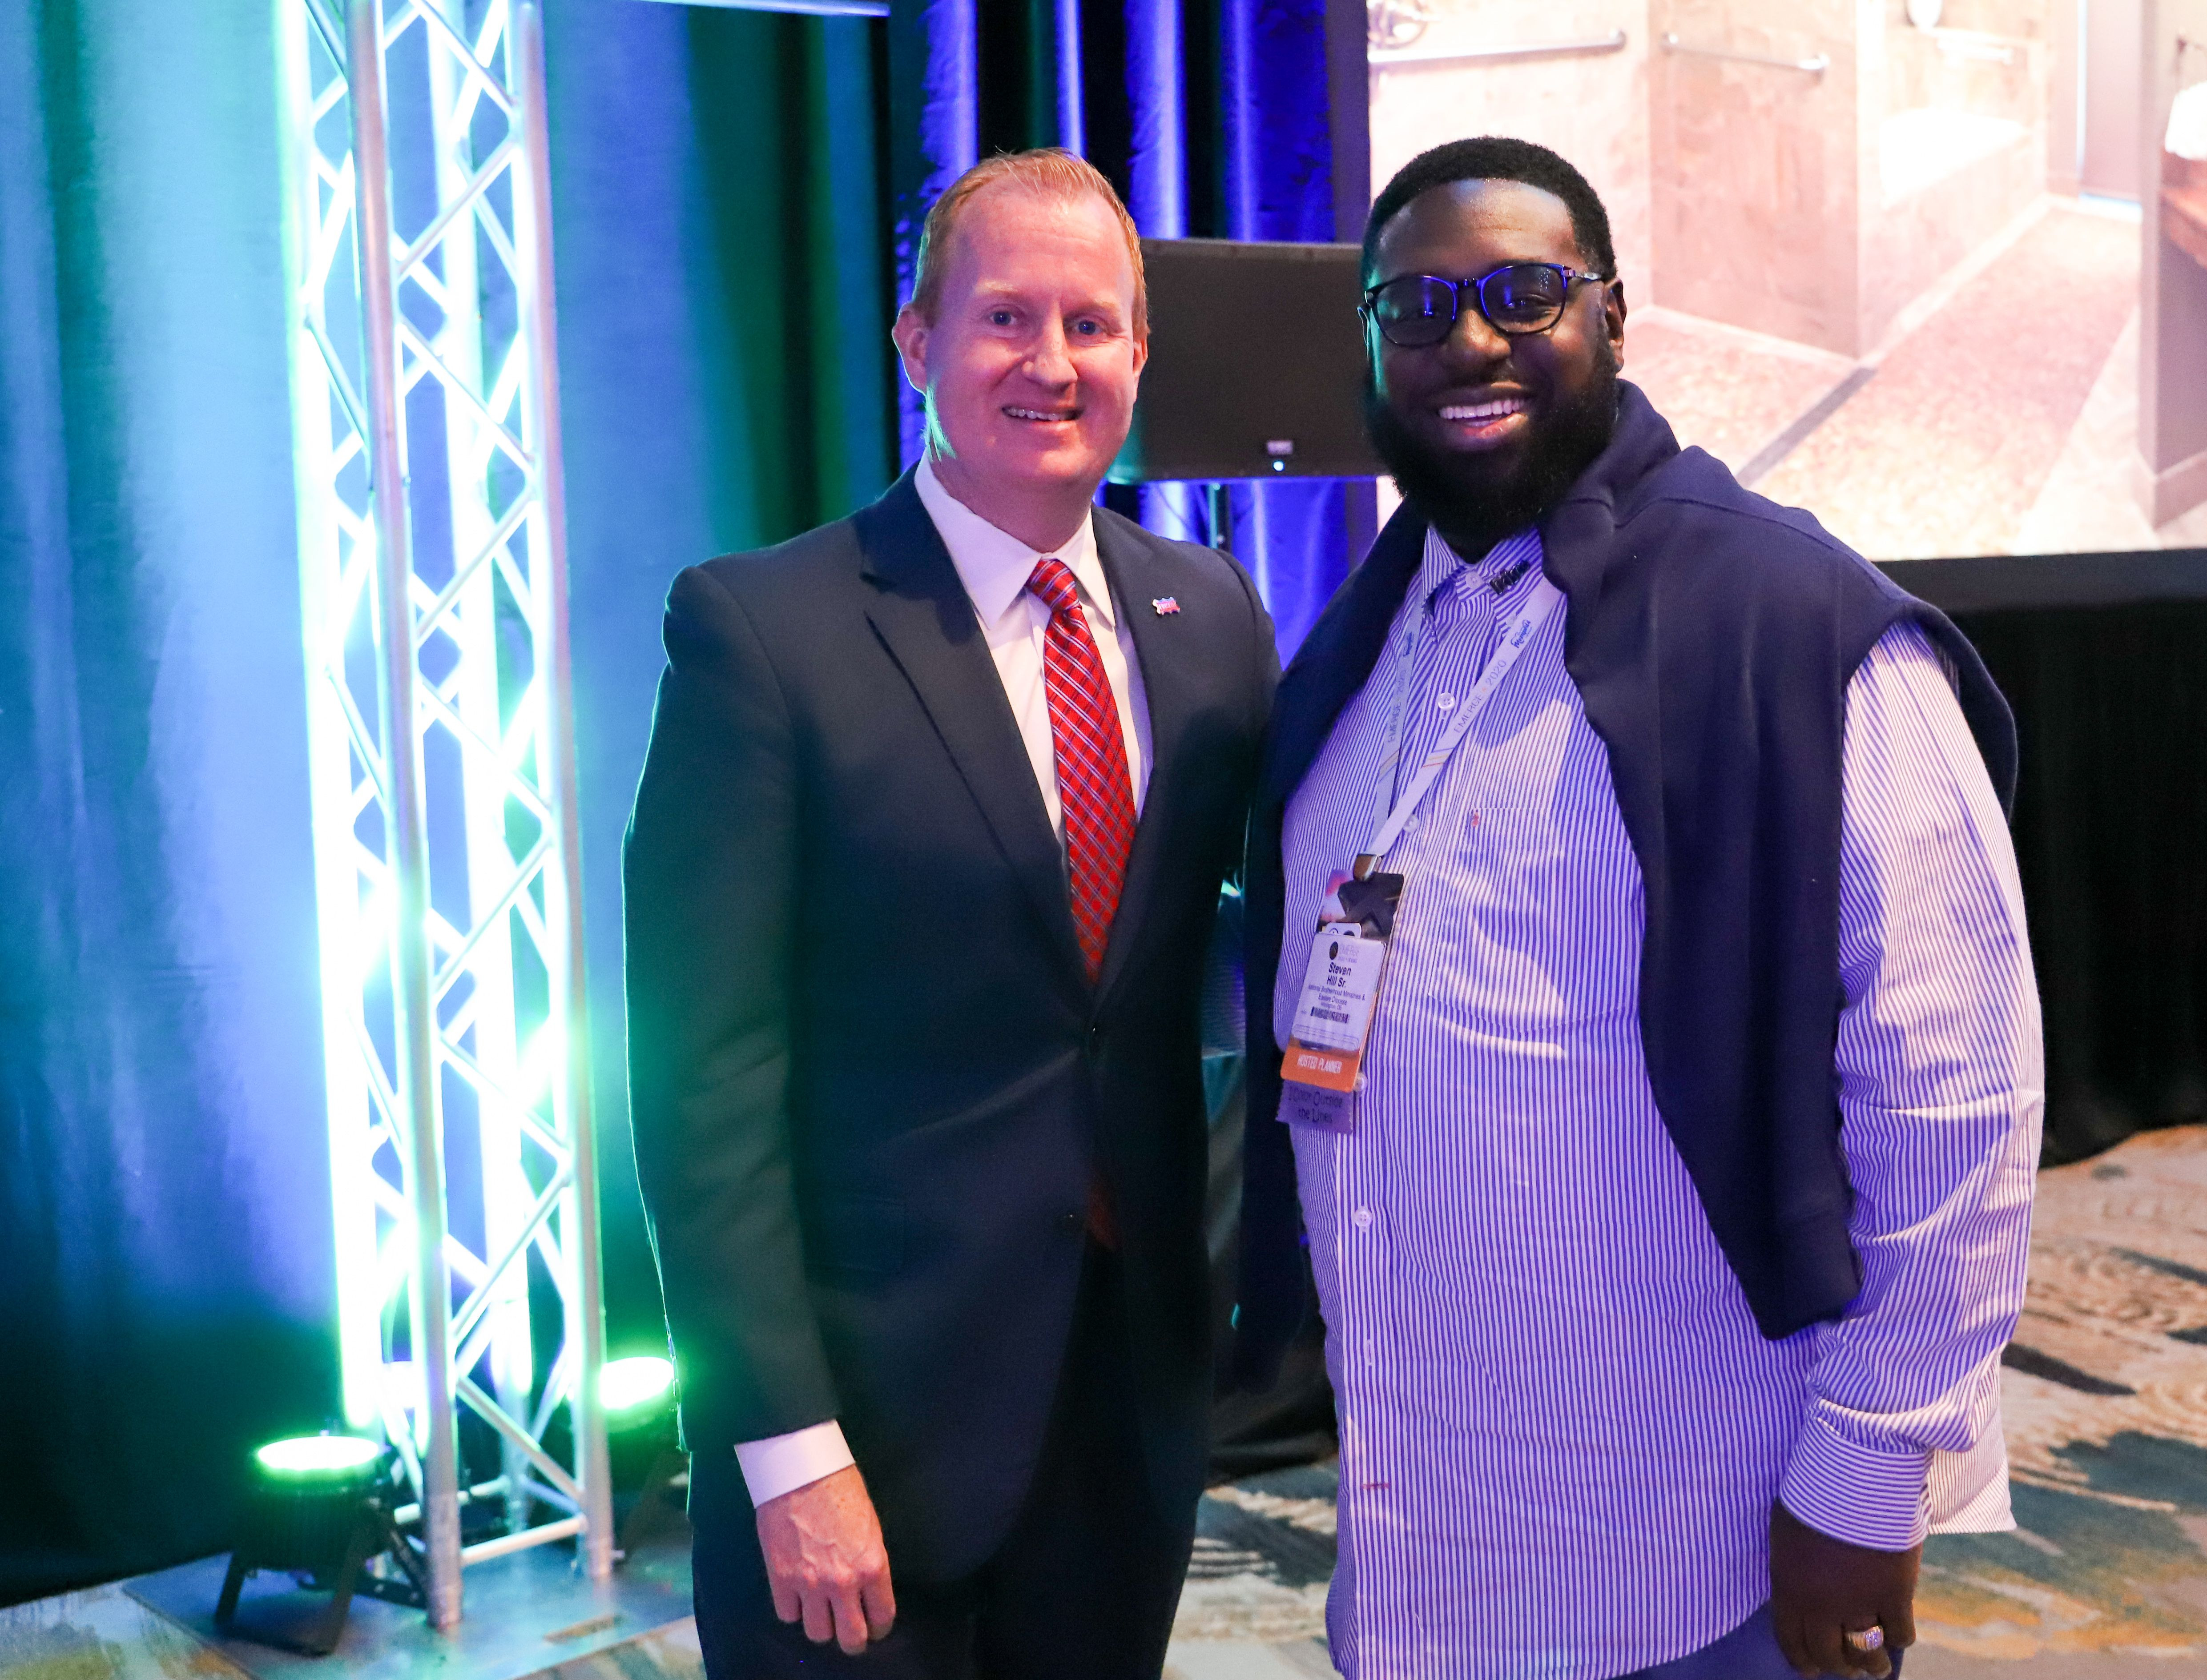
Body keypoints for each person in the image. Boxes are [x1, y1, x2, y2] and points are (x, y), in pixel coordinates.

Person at [1232, 136, 2043, 1680]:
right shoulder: (1372, 626)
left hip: (1692, 1562)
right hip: (1423, 1536)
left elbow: (1959, 1088)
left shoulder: (1796, 626)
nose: (1468, 338)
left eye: (1522, 293)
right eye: (1416, 306)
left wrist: (1868, 1475)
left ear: (1614, 316)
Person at [626, 148, 1278, 1678]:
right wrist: (783, 1446)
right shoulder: (762, 632)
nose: (1051, 364)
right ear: (918, 344)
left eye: (1093, 324)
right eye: (1003, 319)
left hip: (1126, 1413)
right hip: (864, 1432)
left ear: (1139, 352)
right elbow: (696, 1075)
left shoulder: (1216, 622)